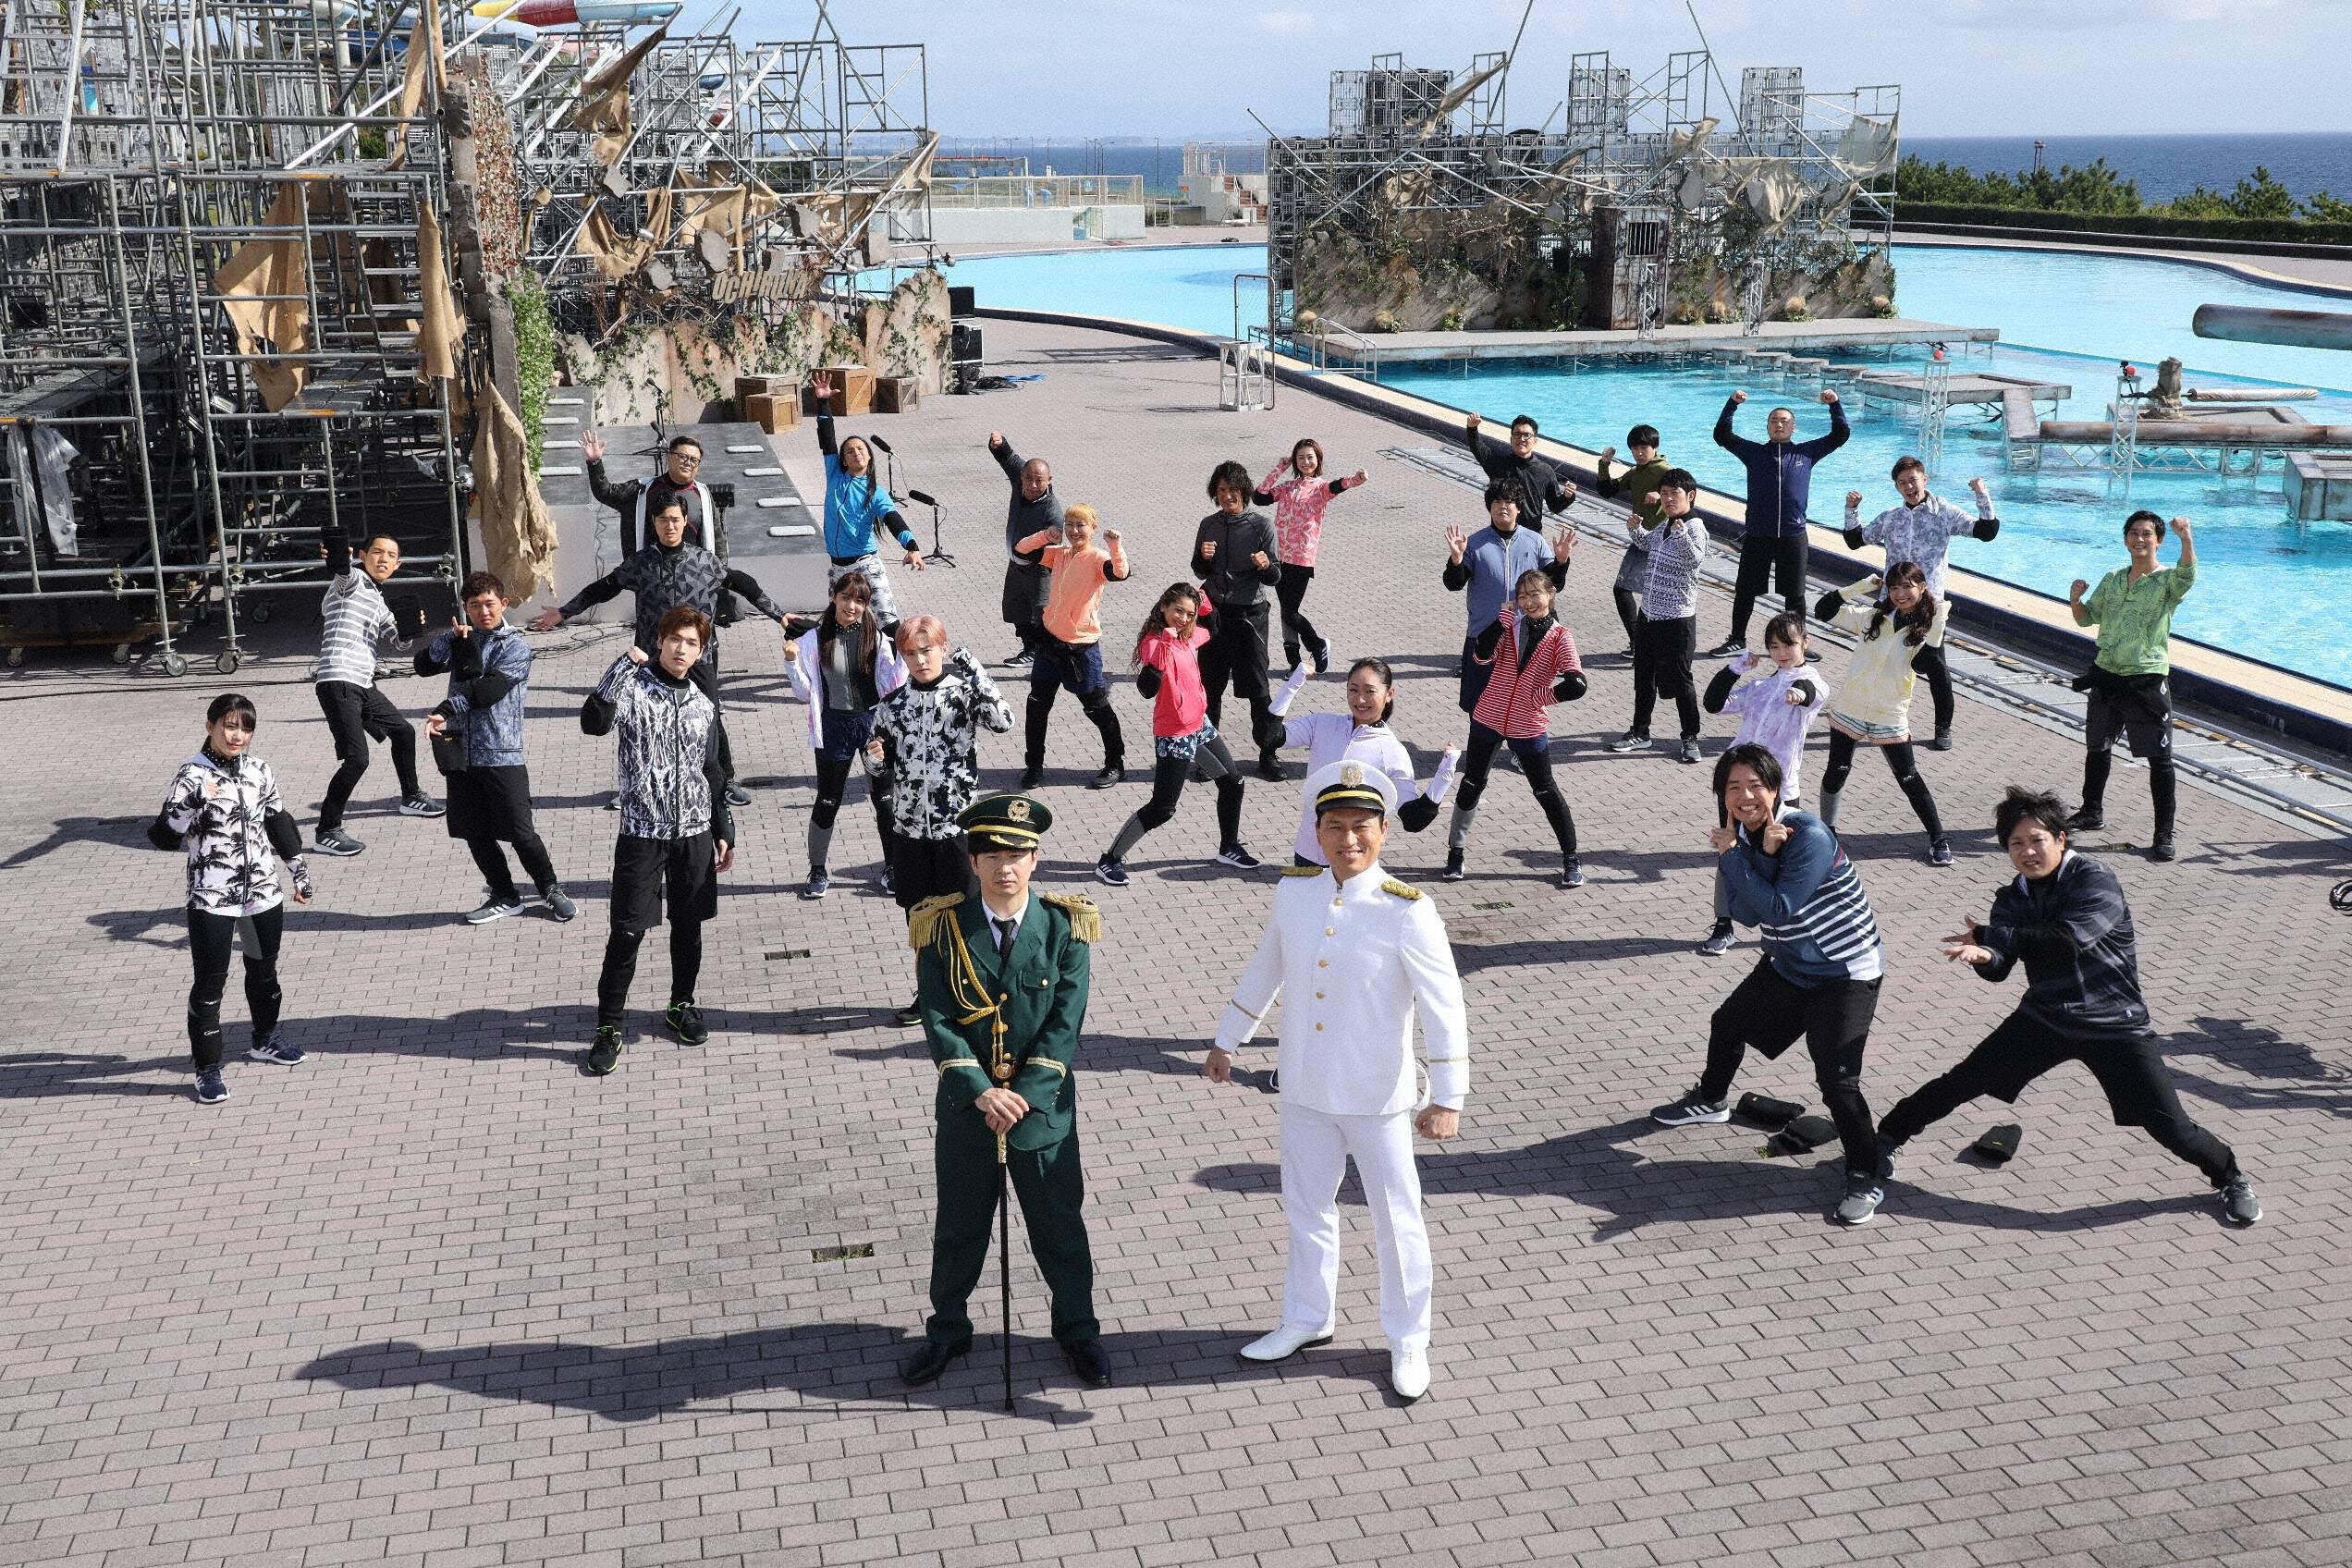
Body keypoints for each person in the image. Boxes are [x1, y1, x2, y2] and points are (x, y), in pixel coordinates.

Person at [1879, 786, 2260, 1226]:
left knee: (2170, 1126)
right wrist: (1985, 957)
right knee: (1963, 1081)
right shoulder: (2012, 899)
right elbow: (2001, 964)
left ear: (2061, 838)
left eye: (2037, 840)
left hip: (2115, 1024)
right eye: (2015, 843)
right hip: (2045, 1018)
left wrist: (1989, 936)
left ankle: (2231, 1178)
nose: (2027, 852)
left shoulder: (2095, 878)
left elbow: (2067, 941)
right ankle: (1885, 1139)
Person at [1207, 760, 1469, 1403]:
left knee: (1396, 1220)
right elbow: (1268, 965)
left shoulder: (1408, 909)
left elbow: (1444, 1005)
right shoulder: (1295, 892)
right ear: (1317, 832)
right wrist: (1228, 1038)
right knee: (1306, 1209)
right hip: (1303, 1087)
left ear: (1383, 831)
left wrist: (1447, 1096)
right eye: (1335, 827)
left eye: (1361, 827)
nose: (1348, 840)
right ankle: (1306, 1317)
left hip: (1377, 1095)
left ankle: (1408, 1339)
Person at [902, 794, 1110, 1390]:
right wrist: (980, 1091)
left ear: (1035, 859)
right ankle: (948, 1329)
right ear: (972, 861)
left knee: (1059, 1225)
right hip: (969, 1110)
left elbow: (1065, 1023)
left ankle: (1078, 1329)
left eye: (1017, 854)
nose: (1005, 867)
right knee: (959, 1226)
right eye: (992, 854)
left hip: (1040, 1111)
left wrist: (1021, 1094)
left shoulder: (1066, 926)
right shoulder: (941, 927)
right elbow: (938, 1019)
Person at [1651, 743, 1889, 1227]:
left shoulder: (1809, 836)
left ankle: (1866, 1173)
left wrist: (1738, 857)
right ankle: (1710, 1100)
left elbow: (1777, 909)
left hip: (1843, 971)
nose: (1745, 796)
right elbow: (1744, 913)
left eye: (1755, 786)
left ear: (1776, 789)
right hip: (1790, 962)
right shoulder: (1742, 835)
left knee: (1837, 1081)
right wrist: (1756, 854)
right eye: (1733, 787)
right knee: (1728, 1023)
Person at [531, 493, 789, 806]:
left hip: (698, 659)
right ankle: (640, 785)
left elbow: (745, 584)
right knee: (646, 720)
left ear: (685, 522)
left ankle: (724, 782)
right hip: (653, 660)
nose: (670, 526)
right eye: (663, 520)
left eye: (675, 520)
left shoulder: (704, 561)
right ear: (653, 523)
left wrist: (779, 615)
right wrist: (563, 613)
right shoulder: (641, 563)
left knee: (709, 718)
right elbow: (603, 589)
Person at [577, 607, 736, 1075]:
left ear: (700, 651)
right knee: (627, 931)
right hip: (642, 834)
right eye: (675, 640)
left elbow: (713, 770)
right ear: (660, 641)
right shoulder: (633, 687)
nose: (682, 649)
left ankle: (681, 1005)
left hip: (694, 833)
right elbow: (593, 722)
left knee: (689, 927)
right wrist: (622, 665)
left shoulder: (703, 703)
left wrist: (723, 829)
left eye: (692, 643)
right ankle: (609, 1026)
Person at [149, 693, 315, 1105]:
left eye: (245, 728)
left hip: (262, 892)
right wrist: (192, 801)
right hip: (212, 897)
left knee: (264, 971)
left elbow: (278, 821)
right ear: (210, 726)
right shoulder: (191, 775)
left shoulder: (259, 770)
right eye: (229, 726)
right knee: (210, 984)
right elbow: (163, 837)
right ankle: (207, 1070)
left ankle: (265, 1039)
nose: (237, 735)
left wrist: (298, 870)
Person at [870, 615, 1014, 1023]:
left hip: (957, 828)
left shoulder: (963, 694)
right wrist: (874, 759)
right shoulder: (892, 705)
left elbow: (1003, 721)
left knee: (967, 915)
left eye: (927, 650)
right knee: (919, 919)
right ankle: (929, 992)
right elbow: (880, 766)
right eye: (910, 654)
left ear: (943, 649)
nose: (919, 661)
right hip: (909, 830)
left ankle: (971, 990)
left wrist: (974, 667)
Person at [416, 571, 576, 925]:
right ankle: (504, 894)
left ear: (503, 604)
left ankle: (550, 888)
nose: (483, 612)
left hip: (502, 753)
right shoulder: (462, 639)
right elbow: (423, 665)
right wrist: (449, 639)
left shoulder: (515, 647)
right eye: (475, 606)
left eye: (489, 604)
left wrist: (445, 710)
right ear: (466, 608)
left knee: (521, 832)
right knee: (474, 832)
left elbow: (488, 692)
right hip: (461, 752)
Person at [1095, 583, 1255, 887]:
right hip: (1174, 734)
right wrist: (1166, 644)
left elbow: (1213, 628)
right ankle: (1109, 860)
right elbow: (1146, 689)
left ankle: (1229, 848)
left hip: (1199, 724)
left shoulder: (1190, 636)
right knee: (1163, 809)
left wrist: (1204, 602)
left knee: (1233, 782)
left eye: (1189, 614)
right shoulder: (1153, 642)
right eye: (1178, 610)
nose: (1183, 618)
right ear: (1163, 607)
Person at [1443, 569, 1588, 888]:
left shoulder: (1561, 636)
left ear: (1550, 595)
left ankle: (1571, 857)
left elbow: (1577, 684)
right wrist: (1499, 624)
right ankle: (1455, 852)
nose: (1528, 601)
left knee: (1545, 789)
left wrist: (1541, 697)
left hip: (1528, 723)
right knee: (1471, 783)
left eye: (1535, 594)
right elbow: (1481, 656)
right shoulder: (1510, 626)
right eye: (1522, 596)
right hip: (1488, 716)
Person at [1842, 462, 1999, 750]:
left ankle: (1943, 727)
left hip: (1928, 607)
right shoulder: (1891, 517)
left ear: (1924, 479)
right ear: (1896, 487)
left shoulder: (1944, 513)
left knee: (1935, 668)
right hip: (1891, 603)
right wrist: (1851, 509)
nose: (1909, 487)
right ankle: (1863, 714)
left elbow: (1986, 531)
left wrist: (1982, 494)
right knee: (1875, 660)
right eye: (1902, 483)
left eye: (1913, 480)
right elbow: (1855, 541)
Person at [2067, 512, 2197, 862]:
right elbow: (2086, 619)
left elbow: (2188, 573)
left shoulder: (2167, 581)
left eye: (2147, 534)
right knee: (2097, 747)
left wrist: (2186, 537)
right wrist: (2076, 599)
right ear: (2126, 539)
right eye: (2134, 533)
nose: (2140, 539)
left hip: (2146, 680)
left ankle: (2163, 833)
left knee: (2160, 761)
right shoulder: (2112, 579)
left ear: (2158, 540)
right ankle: (2091, 811)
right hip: (2106, 676)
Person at [1697, 613, 1825, 955]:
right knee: (1729, 852)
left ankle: (1794, 928)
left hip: (1779, 791)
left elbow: (1811, 692)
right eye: (1774, 647)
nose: (1781, 653)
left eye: (1789, 645)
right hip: (1736, 784)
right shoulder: (1760, 688)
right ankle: (1724, 924)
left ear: (1805, 643)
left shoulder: (1813, 680)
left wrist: (1797, 694)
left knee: (1785, 861)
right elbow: (1713, 704)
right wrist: (1733, 670)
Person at [311, 516, 438, 857]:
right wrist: (337, 556)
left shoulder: (379, 601)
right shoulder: (352, 581)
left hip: (362, 684)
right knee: (357, 759)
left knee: (404, 733)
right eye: (378, 552)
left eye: (391, 555)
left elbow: (398, 642)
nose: (384, 559)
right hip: (338, 679)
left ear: (398, 565)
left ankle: (411, 797)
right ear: (363, 556)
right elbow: (341, 570)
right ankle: (327, 831)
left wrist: (411, 628)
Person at [1812, 562, 1954, 865]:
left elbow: (1925, 665)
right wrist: (1861, 587)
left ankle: (1938, 838)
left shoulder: (1927, 628)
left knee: (1908, 777)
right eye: (1894, 587)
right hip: (1850, 707)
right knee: (1837, 771)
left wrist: (1939, 624)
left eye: (1907, 587)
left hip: (1889, 713)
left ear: (1922, 587)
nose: (1901, 594)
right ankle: (1828, 831)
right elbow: (1822, 611)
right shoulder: (1872, 618)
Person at [783, 570, 906, 900]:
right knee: (828, 799)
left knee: (885, 800)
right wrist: (791, 663)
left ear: (866, 605)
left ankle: (892, 867)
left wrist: (903, 656)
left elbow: (892, 685)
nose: (852, 606)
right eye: (846, 598)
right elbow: (803, 693)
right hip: (833, 728)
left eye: (859, 601)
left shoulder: (877, 638)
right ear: (833, 598)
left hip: (872, 728)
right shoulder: (813, 640)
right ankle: (817, 870)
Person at [1267, 656, 1457, 868]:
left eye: (1370, 691)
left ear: (1389, 694)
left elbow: (1413, 820)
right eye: (1353, 690)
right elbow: (1269, 736)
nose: (1360, 699)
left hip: (1354, 862)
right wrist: (1295, 681)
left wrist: (1445, 774)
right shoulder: (1321, 724)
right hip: (1307, 855)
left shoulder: (1392, 751)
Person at [1709, 387, 1849, 656]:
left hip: (1793, 535)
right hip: (1758, 534)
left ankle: (1797, 644)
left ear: (1794, 427)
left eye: (1784, 421)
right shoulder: (1754, 453)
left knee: (1795, 595)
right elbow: (1722, 436)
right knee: (1745, 590)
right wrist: (1732, 404)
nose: (1779, 424)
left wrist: (1835, 405)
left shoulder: (1807, 453)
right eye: (1774, 421)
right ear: (1767, 427)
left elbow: (1839, 435)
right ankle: (1737, 640)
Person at [1014, 501, 1129, 791]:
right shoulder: (1059, 554)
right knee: (1037, 707)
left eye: (1081, 525)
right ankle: (1034, 765)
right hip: (1049, 644)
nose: (1074, 531)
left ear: (1093, 528)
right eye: (1070, 525)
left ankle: (1115, 763)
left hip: (1080, 649)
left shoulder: (1097, 558)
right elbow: (1021, 551)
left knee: (1096, 708)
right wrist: (1045, 536)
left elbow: (1120, 572)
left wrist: (1115, 545)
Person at [1441, 484, 1573, 716]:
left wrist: (1561, 562)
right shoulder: (1475, 543)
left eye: (1509, 502)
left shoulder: (1534, 541)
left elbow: (1555, 585)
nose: (1503, 506)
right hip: (1484, 634)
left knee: (1521, 704)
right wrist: (1456, 560)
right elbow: (1454, 584)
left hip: (1525, 637)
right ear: (1489, 507)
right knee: (1478, 705)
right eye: (1497, 502)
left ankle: (1519, 739)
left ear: (1518, 508)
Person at [1604, 469, 1707, 764]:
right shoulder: (1665, 525)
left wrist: (1682, 535)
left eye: (1674, 494)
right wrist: (1635, 529)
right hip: (1648, 616)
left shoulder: (1695, 526)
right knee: (1643, 677)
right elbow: (1648, 544)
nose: (1668, 499)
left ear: (1690, 496)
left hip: (1677, 620)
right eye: (1664, 494)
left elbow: (1695, 559)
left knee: (1682, 680)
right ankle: (1640, 732)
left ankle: (1690, 737)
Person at [1192, 460, 1286, 780]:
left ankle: (1268, 753)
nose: (1227, 496)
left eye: (1233, 490)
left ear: (1243, 491)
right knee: (1209, 690)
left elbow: (1275, 577)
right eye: (1221, 490)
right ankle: (1208, 758)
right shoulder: (1208, 525)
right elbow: (1199, 571)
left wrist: (1265, 565)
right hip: (1214, 618)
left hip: (1249, 619)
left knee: (1259, 691)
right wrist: (1203, 558)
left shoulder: (1261, 526)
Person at [812, 368, 924, 624]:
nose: (856, 453)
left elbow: (893, 519)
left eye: (861, 449)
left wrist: (912, 547)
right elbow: (827, 438)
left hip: (866, 566)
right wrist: (823, 402)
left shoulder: (876, 492)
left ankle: (899, 652)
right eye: (850, 451)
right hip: (837, 567)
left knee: (888, 622)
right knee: (837, 625)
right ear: (843, 460)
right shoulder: (835, 475)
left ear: (870, 457)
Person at [1253, 438, 1368, 673]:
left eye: (1310, 457)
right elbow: (1259, 497)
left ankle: (1317, 645)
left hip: (1301, 559)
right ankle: (1295, 663)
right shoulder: (1287, 487)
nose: (1305, 462)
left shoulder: (1321, 489)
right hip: (1279, 558)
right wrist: (1280, 468)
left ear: (1318, 460)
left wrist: (1357, 479)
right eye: (1301, 457)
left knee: (1290, 612)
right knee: (1286, 612)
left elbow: (1340, 485)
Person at [986, 430, 1062, 668]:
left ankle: (1046, 655)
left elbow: (1055, 545)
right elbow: (1009, 458)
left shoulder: (1052, 511)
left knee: (1041, 613)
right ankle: (1029, 649)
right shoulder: (1021, 479)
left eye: (1039, 480)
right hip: (1016, 565)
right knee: (1015, 609)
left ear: (1049, 480)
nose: (1032, 485)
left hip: (1039, 569)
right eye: (1028, 479)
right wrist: (999, 444)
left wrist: (1032, 551)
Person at [1594, 424, 1671, 657]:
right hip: (1641, 539)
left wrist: (1662, 495)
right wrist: (1604, 464)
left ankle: (1644, 645)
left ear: (1655, 447)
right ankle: (1641, 644)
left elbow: (1686, 493)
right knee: (1625, 590)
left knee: (1634, 591)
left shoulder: (1665, 470)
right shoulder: (1636, 472)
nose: (1638, 453)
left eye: (1643, 448)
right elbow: (1607, 491)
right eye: (1634, 448)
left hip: (1661, 541)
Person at [582, 428, 712, 556]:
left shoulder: (703, 494)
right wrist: (595, 463)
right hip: (646, 569)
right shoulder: (642, 490)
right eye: (682, 456)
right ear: (669, 457)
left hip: (692, 569)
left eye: (694, 460)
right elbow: (605, 492)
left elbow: (717, 539)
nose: (688, 463)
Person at [1461, 410, 1574, 527]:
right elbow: (1478, 448)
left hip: (1532, 532)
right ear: (1511, 439)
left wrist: (1567, 496)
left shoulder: (1545, 471)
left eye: (1527, 435)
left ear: (1535, 440)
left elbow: (1555, 506)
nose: (1522, 439)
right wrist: (1472, 428)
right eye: (1517, 434)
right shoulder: (1499, 464)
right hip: (1501, 531)